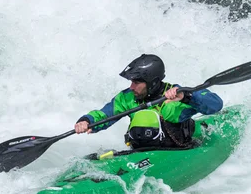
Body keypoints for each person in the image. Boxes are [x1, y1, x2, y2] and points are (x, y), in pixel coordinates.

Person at [74, 54, 224, 149]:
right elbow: (104, 114)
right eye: (132, 81)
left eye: (137, 82)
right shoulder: (127, 97)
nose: (131, 86)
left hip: (176, 150)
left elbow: (215, 105)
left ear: (152, 82)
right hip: (142, 153)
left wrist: (187, 97)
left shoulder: (176, 95)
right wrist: (87, 121)